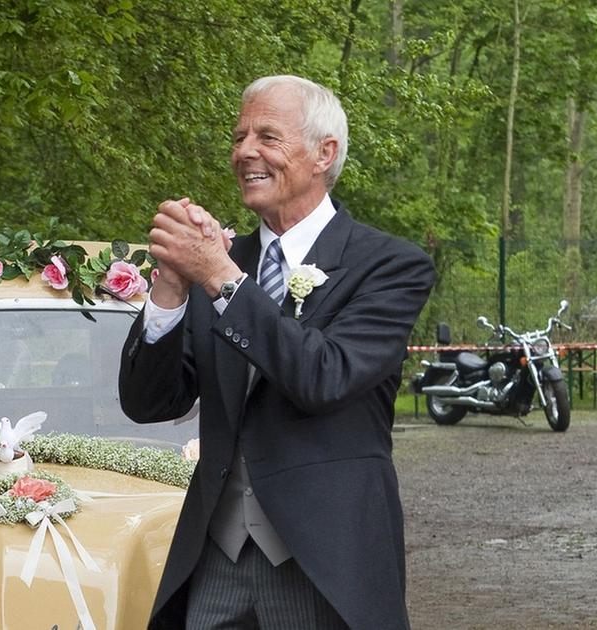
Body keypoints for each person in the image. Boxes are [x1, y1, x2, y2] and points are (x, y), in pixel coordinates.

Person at [118, 75, 435, 629]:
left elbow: (324, 376)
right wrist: (169, 290)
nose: (244, 152)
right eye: (239, 137)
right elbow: (151, 402)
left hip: (326, 560)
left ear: (324, 153)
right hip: (216, 558)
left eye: (267, 136)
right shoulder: (216, 260)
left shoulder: (388, 265)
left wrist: (219, 277)